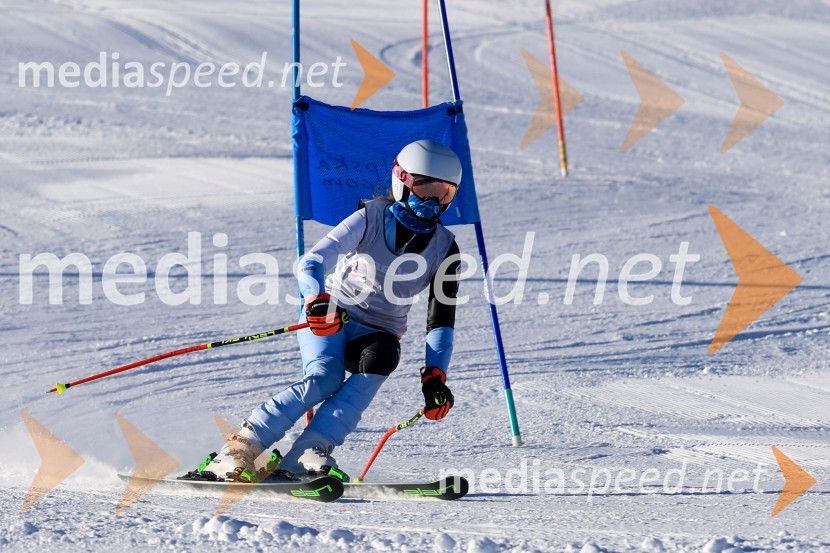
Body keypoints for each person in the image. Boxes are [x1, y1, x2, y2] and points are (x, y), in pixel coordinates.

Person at [198, 139, 464, 483]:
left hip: (377, 333)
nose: (432, 202)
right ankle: (239, 449)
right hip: (332, 315)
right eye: (425, 188)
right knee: (325, 378)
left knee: (383, 357)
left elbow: (441, 317)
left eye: (444, 194)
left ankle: (307, 453)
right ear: (402, 180)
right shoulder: (370, 217)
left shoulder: (445, 247)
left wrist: (435, 375)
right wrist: (315, 299)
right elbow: (313, 261)